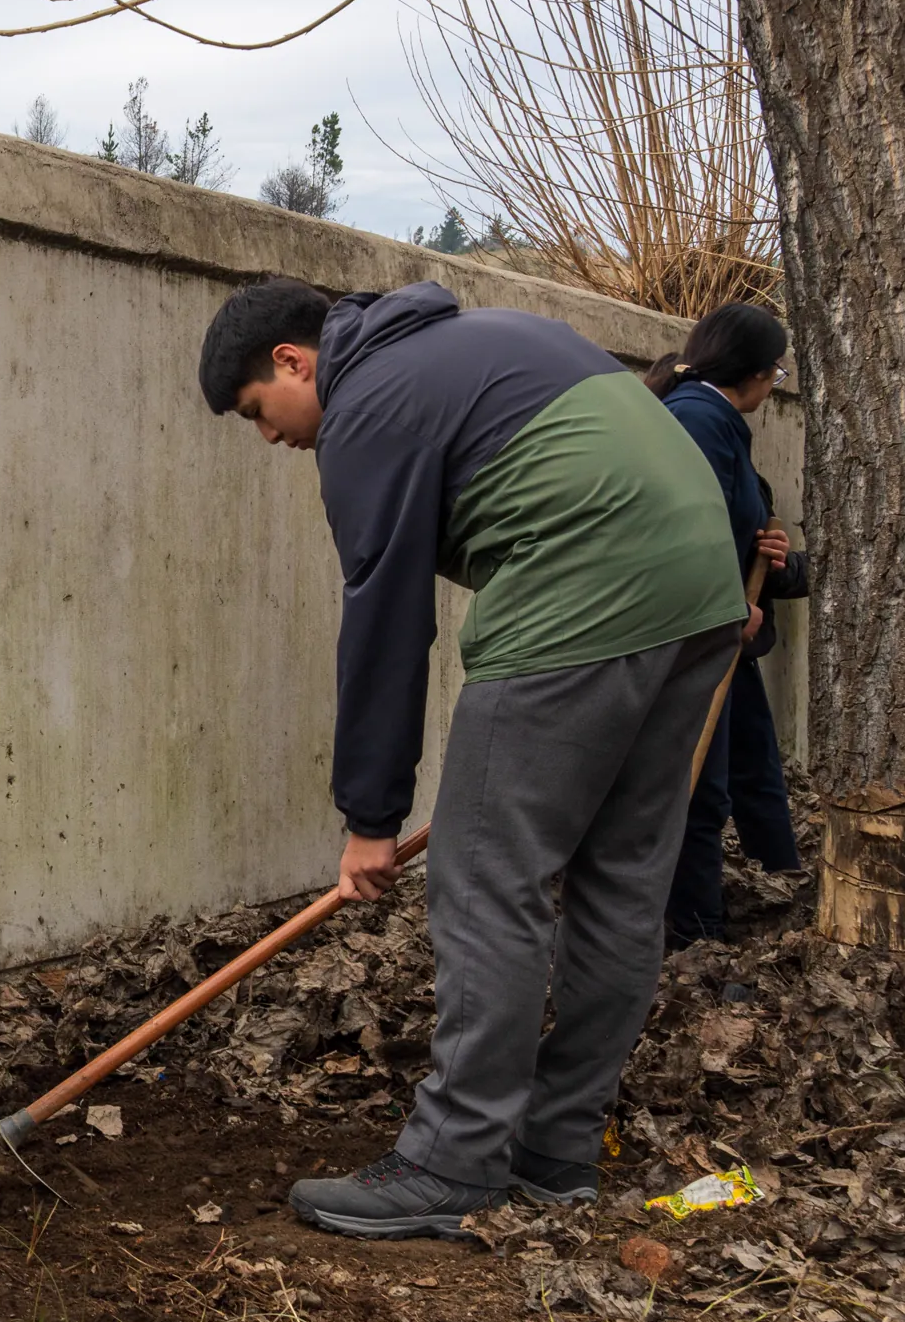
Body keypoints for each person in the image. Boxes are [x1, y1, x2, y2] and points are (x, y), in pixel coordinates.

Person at [197, 278, 745, 1238]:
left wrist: (370, 818)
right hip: (700, 586)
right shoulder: (477, 337)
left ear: (293, 361)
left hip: (586, 587)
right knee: (621, 879)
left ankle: (451, 1164)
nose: (270, 437)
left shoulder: (368, 405)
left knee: (488, 875)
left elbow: (385, 621)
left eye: (257, 411)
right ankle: (556, 1150)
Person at [650, 304, 807, 945]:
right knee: (701, 789)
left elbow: (728, 522)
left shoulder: (714, 420)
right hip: (695, 633)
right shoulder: (698, 418)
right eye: (775, 374)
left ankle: (782, 886)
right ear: (758, 373)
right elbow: (684, 529)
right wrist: (730, 607)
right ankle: (694, 932)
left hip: (721, 634)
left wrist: (766, 555)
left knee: (753, 764)